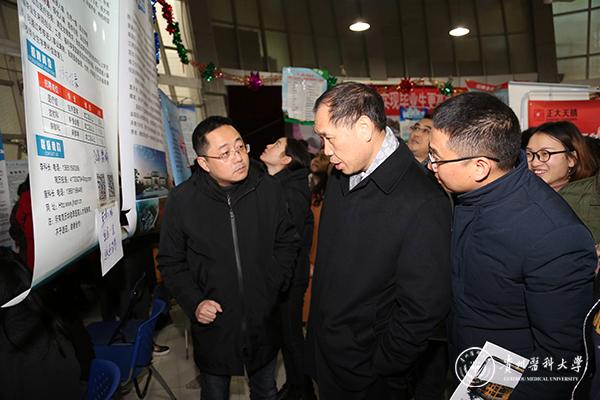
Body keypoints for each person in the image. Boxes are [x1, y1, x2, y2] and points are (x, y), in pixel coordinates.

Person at [428, 92, 597, 399]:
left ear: (480, 167)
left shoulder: (554, 236)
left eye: (437, 158)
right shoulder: (470, 193)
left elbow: (560, 359)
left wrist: (493, 394)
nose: (431, 166)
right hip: (463, 369)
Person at [305, 82, 452, 399]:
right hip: (327, 357)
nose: (325, 150)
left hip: (371, 376)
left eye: (329, 138)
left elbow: (424, 306)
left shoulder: (423, 199)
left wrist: (383, 364)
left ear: (363, 128)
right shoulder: (341, 174)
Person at [157, 116, 300, 400]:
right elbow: (171, 261)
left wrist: (275, 282)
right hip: (215, 323)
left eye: (240, 147)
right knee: (214, 392)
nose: (238, 158)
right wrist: (195, 302)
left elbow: (287, 240)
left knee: (266, 389)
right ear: (204, 163)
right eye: (225, 153)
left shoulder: (268, 189)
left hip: (262, 318)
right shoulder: (183, 201)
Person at [260, 137, 316, 400]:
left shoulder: (291, 191)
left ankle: (302, 391)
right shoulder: (277, 184)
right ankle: (296, 386)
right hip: (283, 275)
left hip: (289, 277)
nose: (268, 145)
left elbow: (284, 240)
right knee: (285, 335)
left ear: (286, 159)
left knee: (291, 337)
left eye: (276, 145)